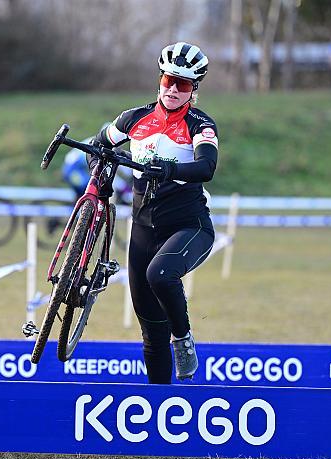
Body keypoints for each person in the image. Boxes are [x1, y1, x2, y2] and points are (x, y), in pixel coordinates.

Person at [88, 42, 219, 384]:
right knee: (150, 334)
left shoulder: (200, 124)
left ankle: (184, 338)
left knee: (160, 275)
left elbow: (206, 166)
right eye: (168, 80)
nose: (174, 89)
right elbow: (99, 144)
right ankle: (161, 407)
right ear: (159, 80)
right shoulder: (133, 118)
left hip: (189, 226)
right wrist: (98, 175)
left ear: (194, 90)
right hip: (144, 230)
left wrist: (169, 169)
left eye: (184, 84)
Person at [62, 122, 133, 202]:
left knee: (88, 191)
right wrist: (125, 188)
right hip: (72, 169)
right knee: (91, 188)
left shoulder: (98, 141)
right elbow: (111, 172)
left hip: (73, 167)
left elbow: (117, 167)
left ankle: (78, 210)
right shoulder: (103, 146)